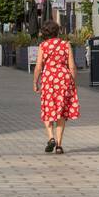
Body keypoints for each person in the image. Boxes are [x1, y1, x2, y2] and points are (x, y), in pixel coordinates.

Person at [33, 19, 79, 154]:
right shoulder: (66, 45)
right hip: (64, 79)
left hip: (49, 79)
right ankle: (59, 145)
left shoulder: (43, 46)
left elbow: (38, 66)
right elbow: (72, 66)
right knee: (61, 111)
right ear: (57, 31)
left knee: (48, 109)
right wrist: (73, 82)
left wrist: (35, 82)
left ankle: (51, 137)